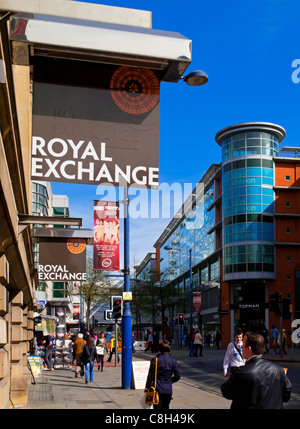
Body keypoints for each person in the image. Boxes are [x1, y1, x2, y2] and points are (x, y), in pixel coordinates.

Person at [221, 331, 292, 409]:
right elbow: (286, 395)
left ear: (249, 349)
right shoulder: (279, 370)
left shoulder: (242, 372)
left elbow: (226, 391)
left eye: (243, 345)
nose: (241, 347)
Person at [145, 340, 180, 410]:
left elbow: (151, 375)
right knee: (166, 407)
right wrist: (170, 381)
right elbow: (178, 376)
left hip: (157, 388)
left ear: (159, 349)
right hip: (168, 389)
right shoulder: (173, 360)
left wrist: (147, 387)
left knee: (157, 407)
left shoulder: (155, 360)